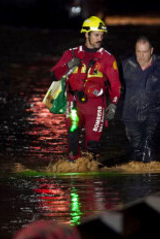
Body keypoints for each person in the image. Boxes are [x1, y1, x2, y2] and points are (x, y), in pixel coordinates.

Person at [50, 16, 121, 160]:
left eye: (101, 35)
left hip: (96, 106)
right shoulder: (71, 53)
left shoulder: (108, 58)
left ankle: (92, 176)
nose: (100, 38)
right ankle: (72, 174)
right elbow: (54, 75)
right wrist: (68, 65)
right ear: (86, 34)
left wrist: (113, 104)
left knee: (93, 147)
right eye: (96, 35)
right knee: (72, 140)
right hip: (74, 103)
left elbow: (116, 85)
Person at [120, 36, 160, 163]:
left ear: (151, 51)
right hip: (131, 113)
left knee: (148, 142)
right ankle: (136, 177)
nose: (141, 56)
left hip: (153, 111)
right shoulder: (125, 66)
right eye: (138, 52)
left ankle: (149, 176)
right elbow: (114, 89)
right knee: (136, 146)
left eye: (144, 52)